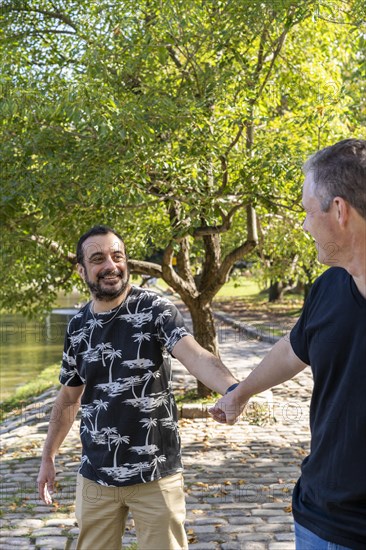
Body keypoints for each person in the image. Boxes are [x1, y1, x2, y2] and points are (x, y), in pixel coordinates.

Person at [37, 225, 239, 550]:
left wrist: (233, 390)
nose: (111, 266)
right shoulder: (77, 327)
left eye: (117, 256)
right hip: (96, 475)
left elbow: (196, 356)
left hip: (156, 473)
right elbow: (69, 396)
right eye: (98, 258)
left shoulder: (155, 310)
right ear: (82, 269)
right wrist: (48, 456)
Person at [210, 138, 366, 550]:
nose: (303, 224)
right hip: (318, 518)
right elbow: (294, 348)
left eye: (306, 211)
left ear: (339, 210)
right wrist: (240, 393)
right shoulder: (328, 286)